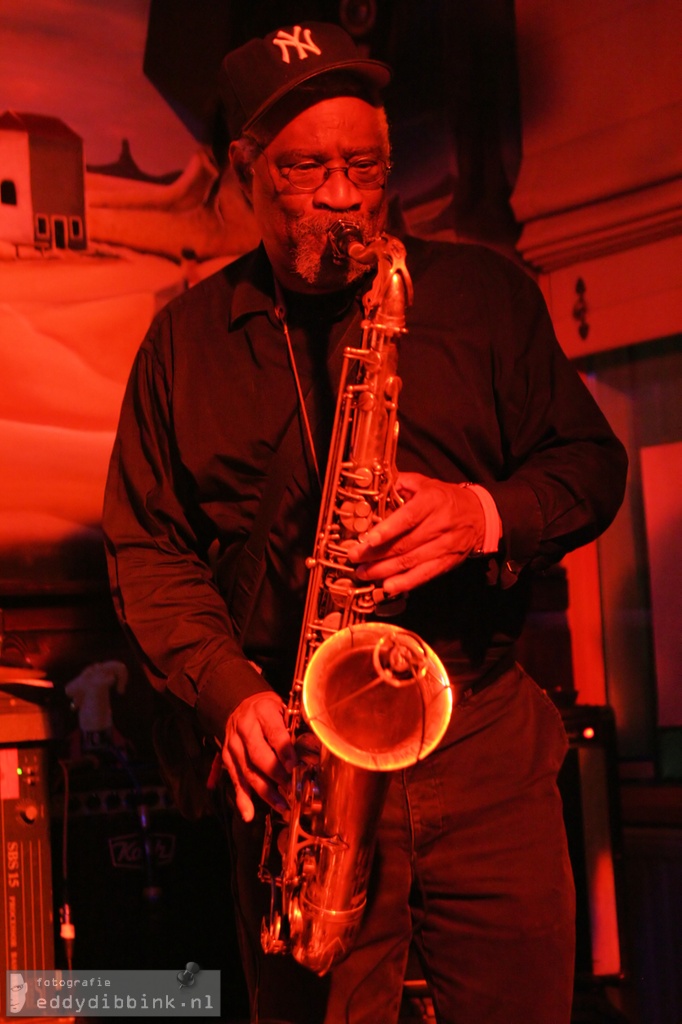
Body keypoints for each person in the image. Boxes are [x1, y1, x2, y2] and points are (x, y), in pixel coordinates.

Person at [102, 21, 628, 1024]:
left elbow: (590, 465)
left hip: (479, 738)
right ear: (243, 172)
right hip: (301, 750)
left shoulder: (479, 295)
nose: (343, 197)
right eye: (307, 169)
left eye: (366, 167)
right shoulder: (184, 345)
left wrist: (482, 513)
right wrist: (229, 694)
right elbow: (147, 546)